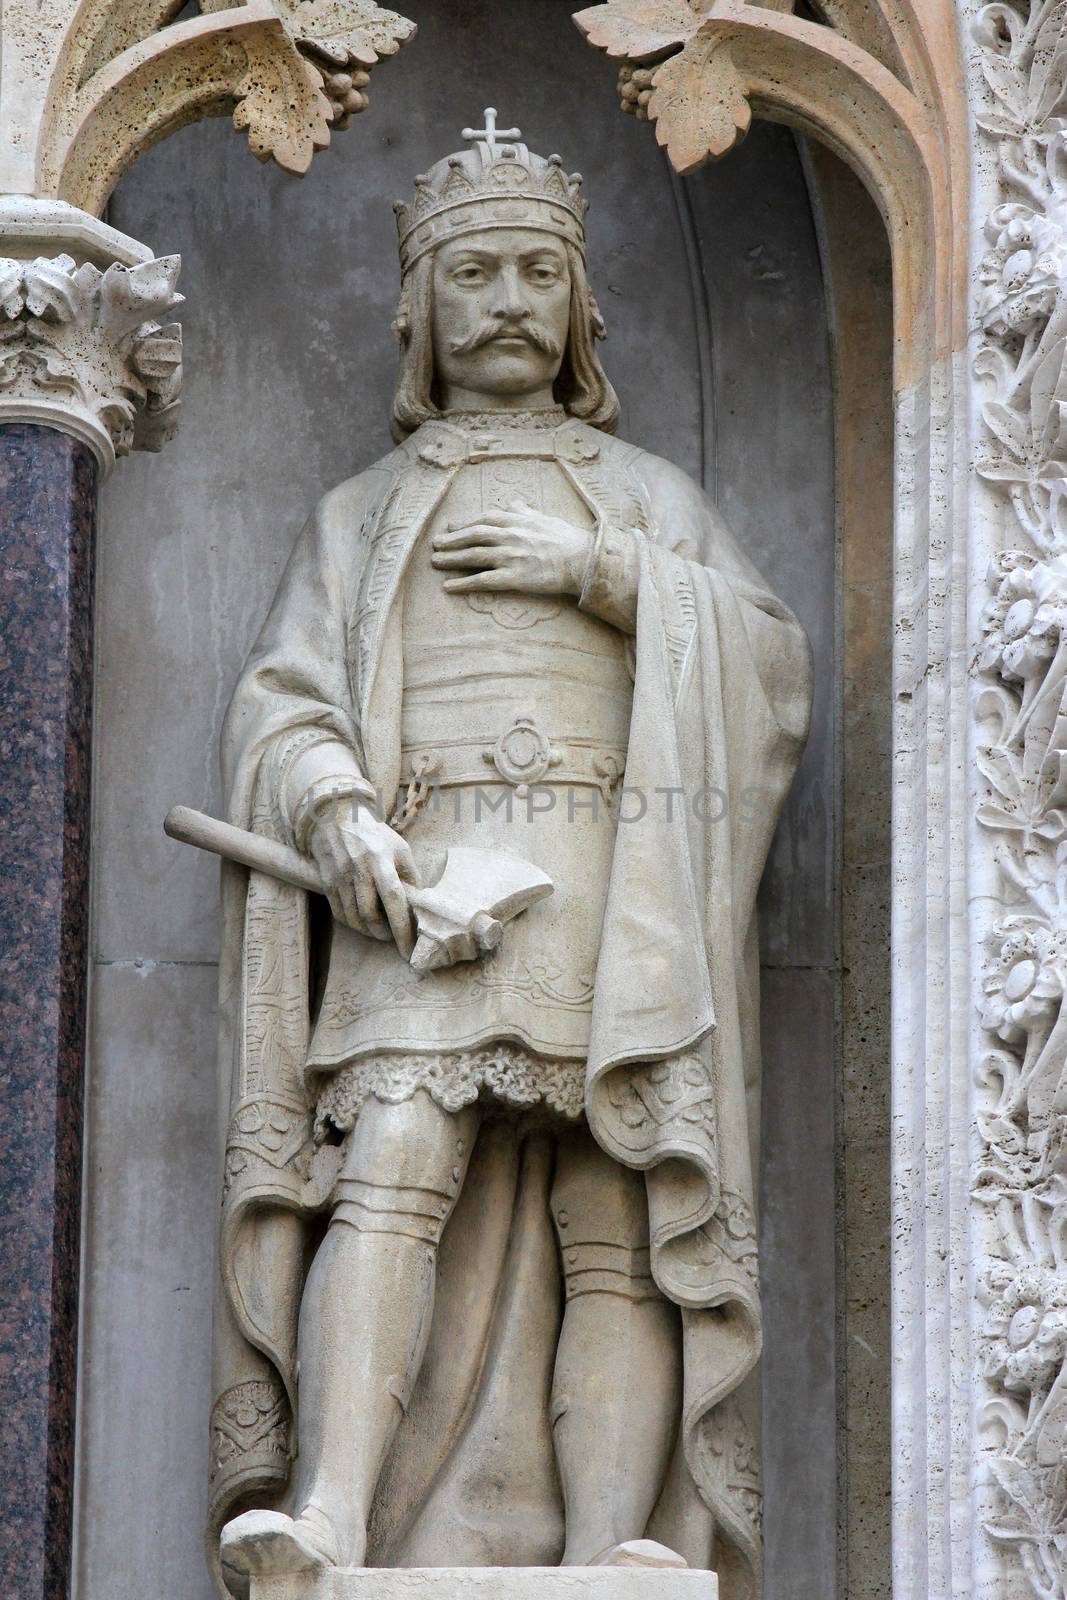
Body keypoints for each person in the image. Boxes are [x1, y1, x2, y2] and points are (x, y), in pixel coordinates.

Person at [209, 112, 811, 1600]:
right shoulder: (363, 516)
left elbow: (771, 671)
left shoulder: (655, 497)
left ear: (583, 306)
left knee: (615, 1195)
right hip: (421, 894)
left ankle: (619, 1535)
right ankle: (335, 1511)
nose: (507, 300)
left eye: (540, 270)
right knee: (396, 1160)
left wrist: (596, 572)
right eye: (472, 272)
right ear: (417, 309)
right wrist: (341, 816)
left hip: (617, 894)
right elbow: (284, 701)